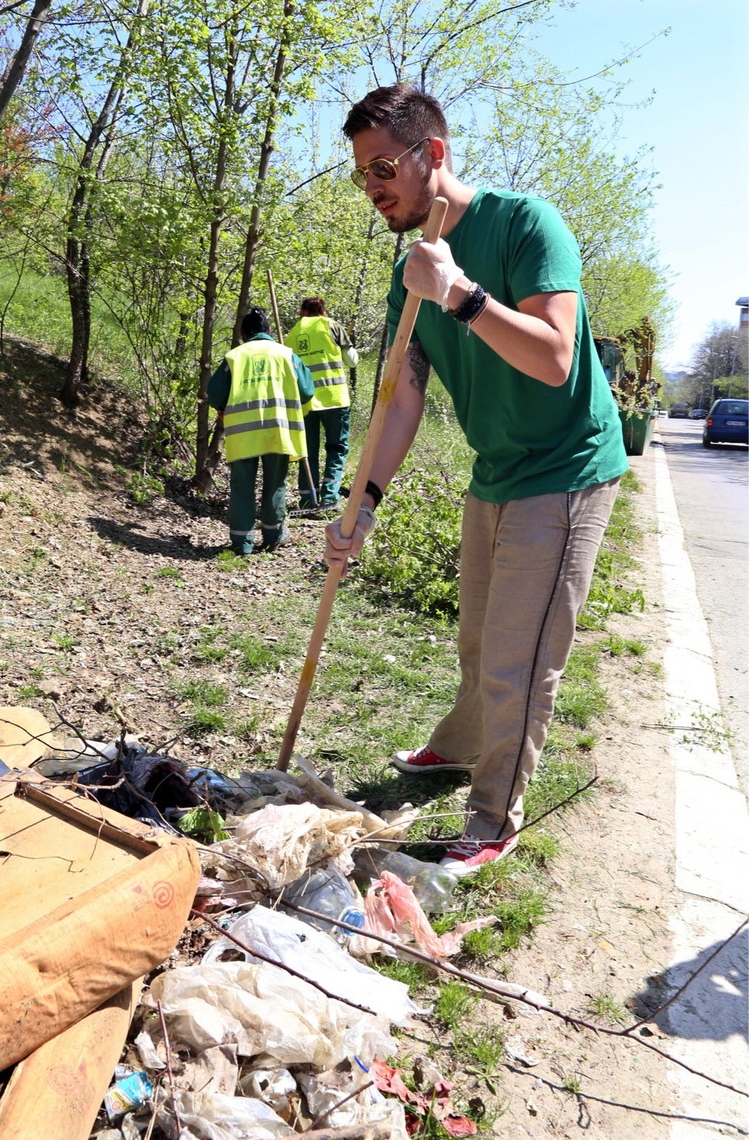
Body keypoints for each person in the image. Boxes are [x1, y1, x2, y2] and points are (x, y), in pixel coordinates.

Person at [326, 83, 629, 877]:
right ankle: (460, 751)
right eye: (362, 173)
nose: (372, 187)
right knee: (477, 642)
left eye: (383, 166)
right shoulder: (409, 272)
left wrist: (459, 293)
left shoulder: (526, 223)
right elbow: (402, 399)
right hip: (496, 471)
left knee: (518, 658)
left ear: (434, 155)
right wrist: (365, 502)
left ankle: (493, 819)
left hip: (566, 469)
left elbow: (556, 357)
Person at [208, 307, 314, 555]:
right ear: (269, 330)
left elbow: (214, 394)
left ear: (243, 334)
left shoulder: (235, 356)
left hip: (243, 433)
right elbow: (308, 390)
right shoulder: (286, 355)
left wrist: (224, 406)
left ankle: (241, 543)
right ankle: (273, 535)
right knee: (275, 483)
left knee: (242, 486)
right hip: (279, 430)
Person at [285, 297, 359, 509]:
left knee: (307, 451)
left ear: (302, 311)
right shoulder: (332, 326)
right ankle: (329, 497)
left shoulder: (292, 333)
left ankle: (308, 498)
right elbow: (351, 361)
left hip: (306, 402)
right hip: (334, 399)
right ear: (323, 311)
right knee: (336, 448)